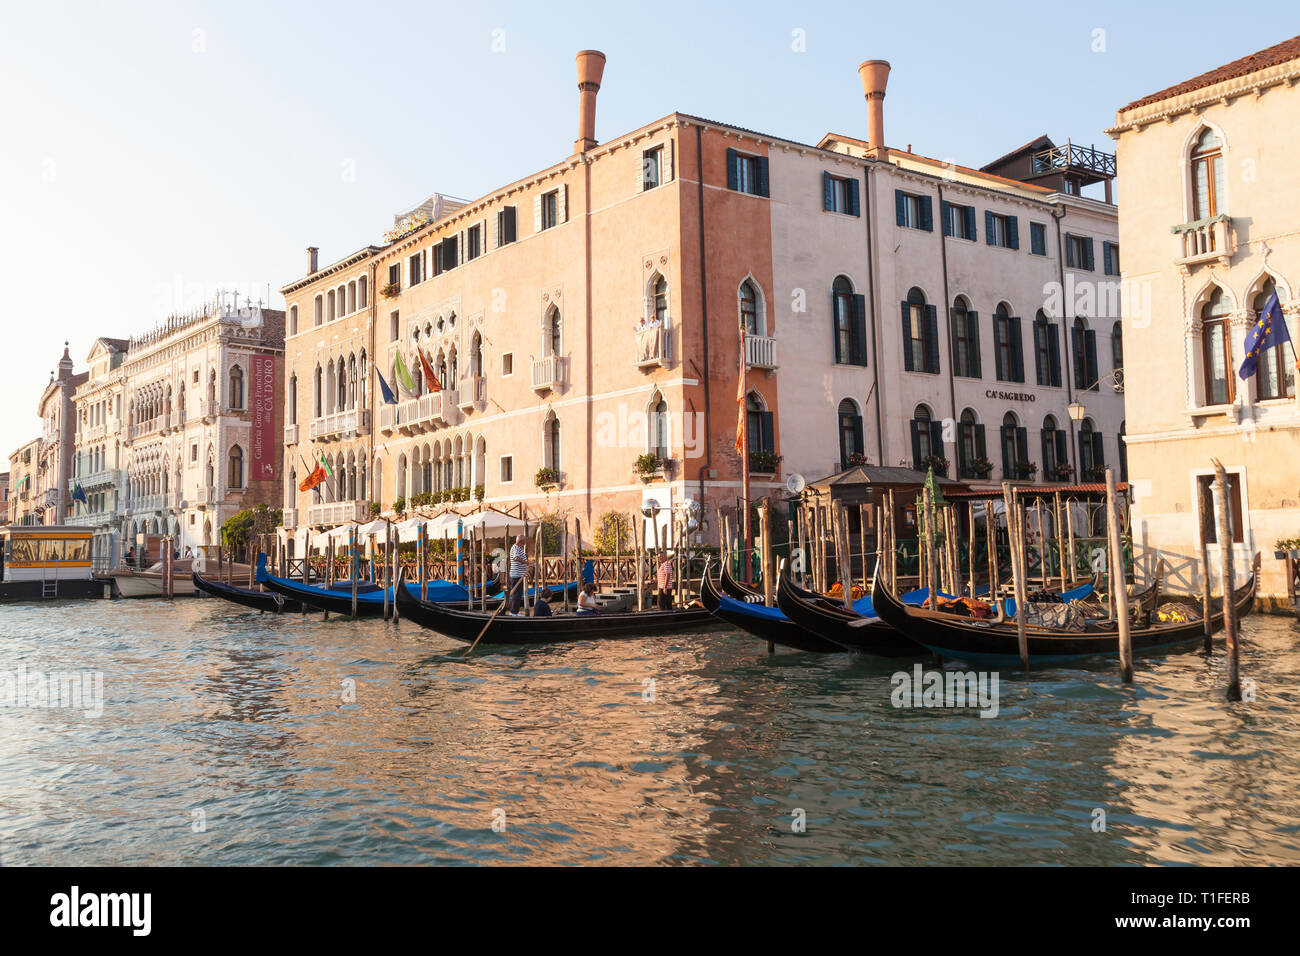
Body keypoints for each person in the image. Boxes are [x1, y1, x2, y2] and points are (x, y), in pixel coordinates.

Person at [507, 534, 528, 614]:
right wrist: (527, 562)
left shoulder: (518, 548)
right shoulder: (516, 547)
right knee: (516, 595)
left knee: (518, 594)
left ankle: (515, 611)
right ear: (522, 541)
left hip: (518, 575)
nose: (526, 542)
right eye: (525, 541)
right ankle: (513, 612)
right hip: (516, 575)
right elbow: (516, 558)